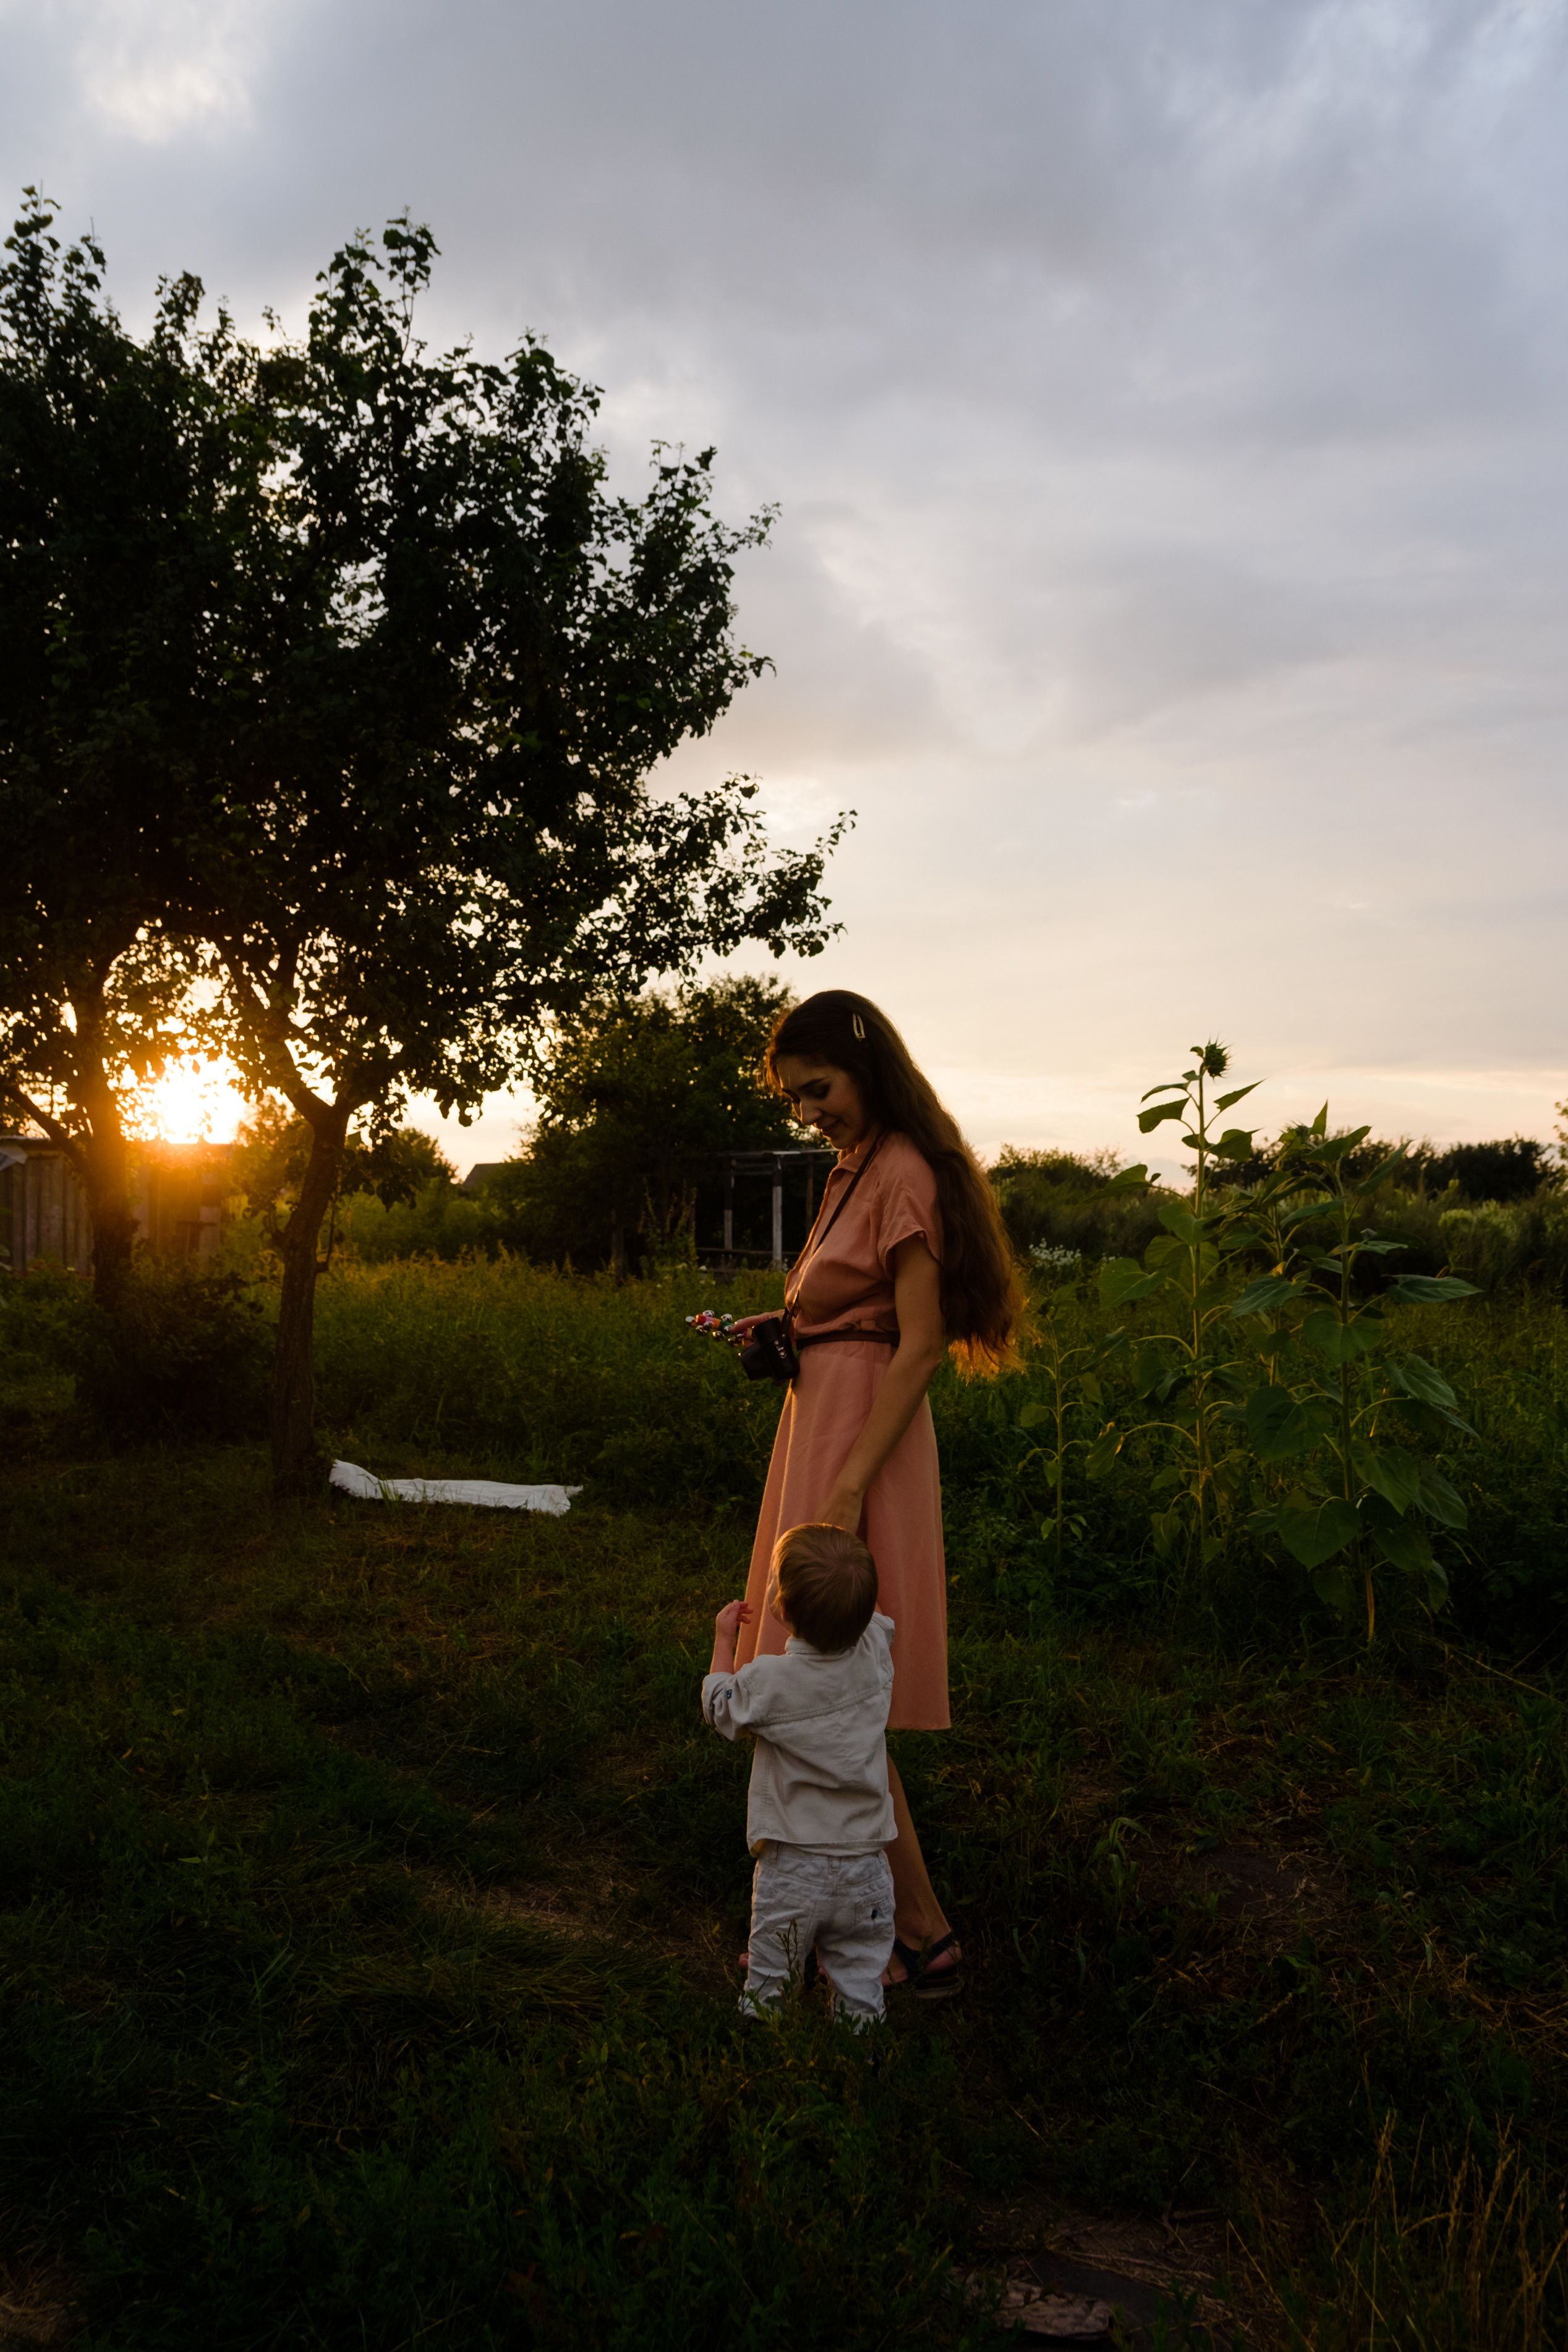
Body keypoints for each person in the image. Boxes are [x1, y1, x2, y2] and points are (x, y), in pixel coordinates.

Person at [728, 989, 1022, 2000]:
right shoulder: (853, 1169)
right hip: (823, 1415)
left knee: (826, 1688)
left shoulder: (899, 1169)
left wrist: (849, 1486)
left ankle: (916, 1929)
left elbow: (921, 1343)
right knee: (821, 1687)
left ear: (865, 1064)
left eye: (817, 1090)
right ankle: (876, 1919)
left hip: (860, 1439)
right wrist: (781, 1330)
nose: (809, 1113)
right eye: (794, 1102)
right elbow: (844, 1306)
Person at [703, 1521, 897, 2023]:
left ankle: (764, 2054)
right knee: (860, 1975)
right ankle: (862, 2050)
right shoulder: (876, 1654)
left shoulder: (771, 1681)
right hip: (868, 1865)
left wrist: (725, 1641)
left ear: (783, 1611)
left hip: (794, 1869)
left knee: (770, 1977)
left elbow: (721, 1707)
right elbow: (878, 1619)